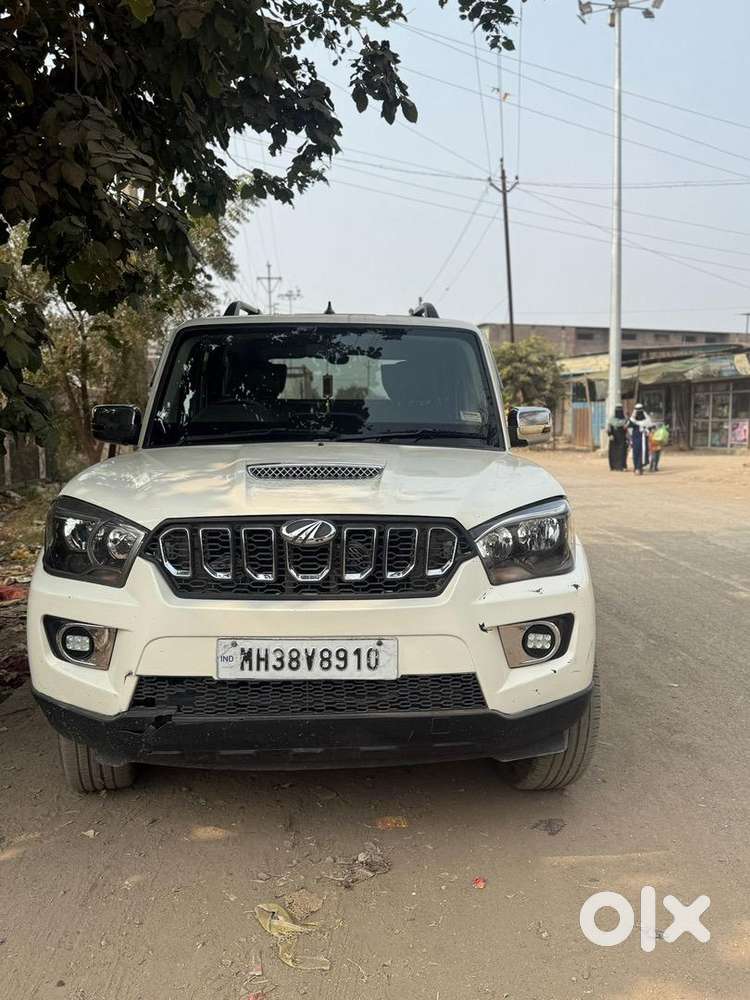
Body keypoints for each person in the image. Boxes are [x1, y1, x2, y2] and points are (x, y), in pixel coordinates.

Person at [628, 403, 651, 475]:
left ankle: (639, 468)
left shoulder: (646, 419)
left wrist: (646, 431)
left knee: (641, 453)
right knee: (636, 453)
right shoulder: (633, 419)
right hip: (636, 437)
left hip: (642, 437)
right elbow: (629, 427)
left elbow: (650, 427)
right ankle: (637, 468)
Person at [606, 404, 628, 471]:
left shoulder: (625, 419)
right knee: (613, 453)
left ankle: (621, 466)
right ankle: (613, 466)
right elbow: (609, 429)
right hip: (614, 439)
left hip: (622, 438)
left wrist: (628, 438)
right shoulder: (611, 419)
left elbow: (627, 430)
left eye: (620, 411)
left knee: (622, 452)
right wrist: (610, 435)